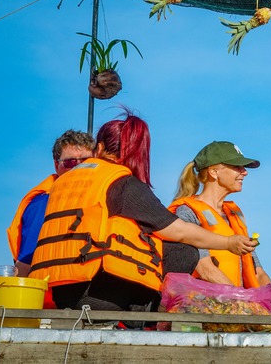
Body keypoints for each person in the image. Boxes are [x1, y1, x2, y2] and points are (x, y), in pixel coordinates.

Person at [29, 112, 257, 312]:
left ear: (98, 149)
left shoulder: (61, 184)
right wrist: (228, 243)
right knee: (183, 250)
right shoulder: (120, 183)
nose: (243, 172)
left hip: (58, 292)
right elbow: (178, 230)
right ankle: (144, 315)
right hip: (98, 296)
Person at [169, 141, 271, 316]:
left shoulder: (234, 215)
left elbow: (258, 272)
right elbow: (205, 269)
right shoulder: (187, 212)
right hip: (203, 310)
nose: (244, 172)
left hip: (236, 308)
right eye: (237, 167)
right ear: (214, 172)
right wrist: (244, 302)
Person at [7, 130, 95, 278]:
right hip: (50, 296)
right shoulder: (44, 202)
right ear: (56, 165)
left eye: (86, 162)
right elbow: (26, 260)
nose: (78, 167)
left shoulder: (100, 199)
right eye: (70, 162)